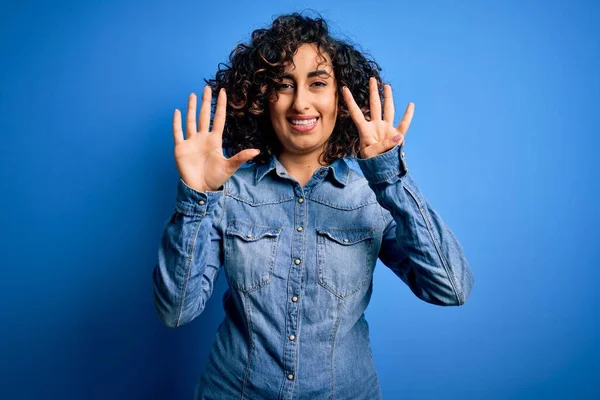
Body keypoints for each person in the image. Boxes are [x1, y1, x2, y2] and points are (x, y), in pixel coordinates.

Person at [152, 12, 474, 400]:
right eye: (283, 85)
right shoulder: (227, 193)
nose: (301, 102)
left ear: (342, 96)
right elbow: (175, 311)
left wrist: (391, 177)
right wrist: (196, 198)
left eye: (317, 83)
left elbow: (451, 288)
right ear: (261, 99)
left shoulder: (373, 196)